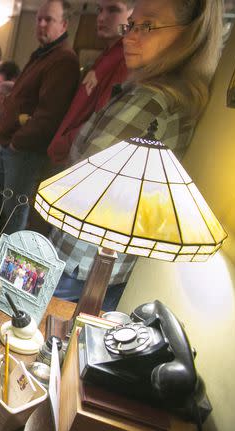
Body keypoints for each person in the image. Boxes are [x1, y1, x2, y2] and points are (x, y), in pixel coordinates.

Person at [51, 0, 223, 311]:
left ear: (191, 35)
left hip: (81, 264)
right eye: (131, 25)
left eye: (147, 26)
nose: (129, 37)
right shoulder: (168, 98)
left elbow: (82, 185)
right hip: (100, 264)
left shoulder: (150, 103)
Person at [0, 0, 80, 237]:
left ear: (63, 24)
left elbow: (49, 116)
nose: (41, 23)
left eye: (48, 19)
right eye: (39, 18)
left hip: (24, 151)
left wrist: (16, 141)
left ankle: (5, 266)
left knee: (14, 212)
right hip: (8, 145)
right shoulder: (43, 54)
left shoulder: (64, 60)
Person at [46, 0, 134, 168]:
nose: (101, 17)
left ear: (133, 15)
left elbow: (102, 119)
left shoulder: (125, 58)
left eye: (113, 10)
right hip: (64, 153)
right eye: (100, 10)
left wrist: (64, 143)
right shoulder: (107, 55)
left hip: (74, 158)